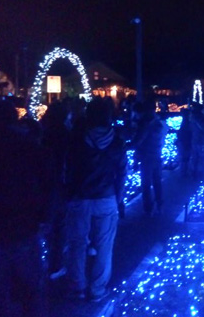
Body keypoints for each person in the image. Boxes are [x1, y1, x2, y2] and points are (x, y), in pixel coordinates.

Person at [0, 99, 52, 317]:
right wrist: (44, 217)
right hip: (24, 225)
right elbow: (47, 183)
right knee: (32, 290)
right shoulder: (27, 145)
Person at [64, 97, 126, 302]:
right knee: (104, 245)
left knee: (77, 244)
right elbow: (122, 172)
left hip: (80, 197)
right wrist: (120, 198)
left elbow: (68, 169)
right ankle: (97, 289)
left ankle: (77, 287)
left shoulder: (76, 139)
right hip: (106, 197)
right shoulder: (116, 141)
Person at [133, 100, 167, 214]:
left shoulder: (145, 123)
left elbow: (138, 141)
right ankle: (160, 205)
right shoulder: (159, 121)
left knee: (146, 185)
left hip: (146, 157)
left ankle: (149, 209)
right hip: (157, 154)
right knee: (157, 182)